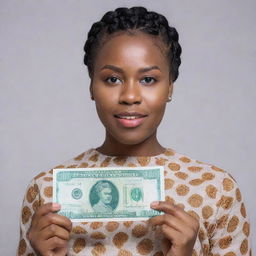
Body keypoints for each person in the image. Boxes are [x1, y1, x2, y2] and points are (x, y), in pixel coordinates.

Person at [17, 6, 251, 256]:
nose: (130, 96)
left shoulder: (216, 190)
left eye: (148, 79)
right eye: (112, 79)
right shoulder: (46, 190)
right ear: (92, 87)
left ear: (170, 87)